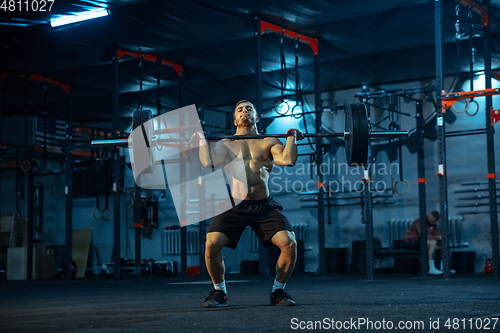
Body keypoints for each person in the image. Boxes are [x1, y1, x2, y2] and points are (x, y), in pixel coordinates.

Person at [197, 100, 304, 308]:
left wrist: (291, 137)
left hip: (263, 207)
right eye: (239, 109)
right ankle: (220, 292)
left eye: (249, 109)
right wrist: (201, 140)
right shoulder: (225, 144)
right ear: (235, 119)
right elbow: (208, 162)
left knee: (289, 242)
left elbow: (287, 160)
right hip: (234, 206)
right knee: (211, 244)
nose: (244, 111)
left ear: (256, 118)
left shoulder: (269, 141)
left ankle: (278, 291)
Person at [404, 211, 443, 275]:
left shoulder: (432, 223)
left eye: (435, 221)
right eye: (433, 221)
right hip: (412, 241)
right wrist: (438, 237)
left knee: (442, 245)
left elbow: (436, 234)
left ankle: (442, 267)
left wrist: (440, 237)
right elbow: (423, 236)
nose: (434, 223)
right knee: (432, 243)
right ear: (429, 217)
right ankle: (431, 268)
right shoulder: (419, 222)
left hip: (422, 241)